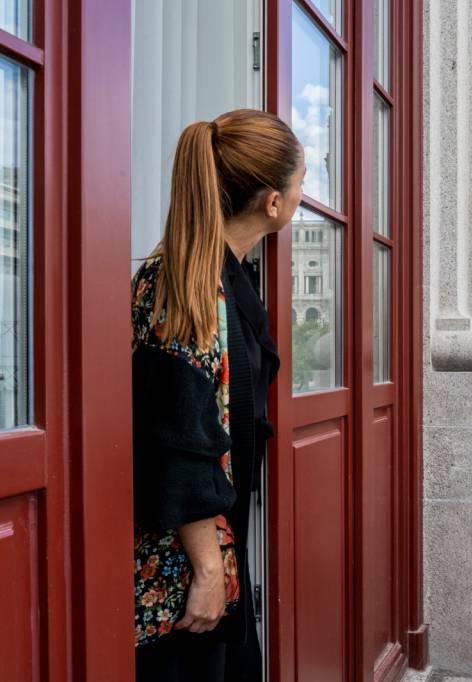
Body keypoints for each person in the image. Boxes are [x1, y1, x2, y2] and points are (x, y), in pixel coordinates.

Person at [132, 109, 302, 681]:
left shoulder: (223, 276)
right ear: (272, 203)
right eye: (301, 184)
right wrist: (208, 573)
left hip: (213, 546)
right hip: (181, 570)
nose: (304, 197)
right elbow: (179, 439)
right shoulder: (190, 285)